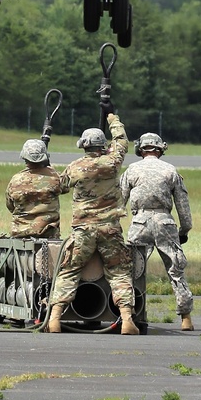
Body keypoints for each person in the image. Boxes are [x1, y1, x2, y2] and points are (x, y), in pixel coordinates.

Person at [46, 112, 138, 335]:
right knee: (119, 272)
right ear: (102, 145)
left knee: (68, 271)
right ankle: (127, 320)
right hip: (110, 229)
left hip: (82, 231)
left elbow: (59, 187)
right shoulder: (112, 162)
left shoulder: (75, 167)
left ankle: (55, 318)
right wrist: (113, 120)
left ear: (83, 146)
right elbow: (122, 142)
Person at [121, 132, 195, 332]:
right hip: (165, 223)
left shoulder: (132, 170)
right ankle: (186, 317)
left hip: (139, 222)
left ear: (140, 149)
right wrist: (184, 230)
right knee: (176, 269)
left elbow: (119, 201)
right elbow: (183, 205)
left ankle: (129, 316)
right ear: (160, 149)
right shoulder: (170, 170)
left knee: (132, 271)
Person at [4, 138, 63, 240]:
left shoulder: (15, 180)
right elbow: (65, 187)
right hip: (48, 234)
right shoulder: (55, 177)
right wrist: (48, 167)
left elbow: (10, 206)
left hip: (20, 233)